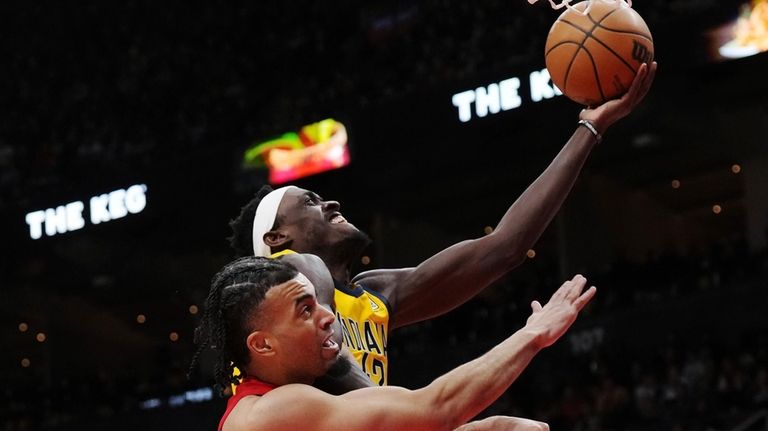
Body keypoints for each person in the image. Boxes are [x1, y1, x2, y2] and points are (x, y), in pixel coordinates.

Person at [227, 62, 657, 388]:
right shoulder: (282, 278)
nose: (331, 202)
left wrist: (590, 128)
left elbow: (505, 247)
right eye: (311, 201)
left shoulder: (373, 294)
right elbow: (345, 386)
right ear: (276, 238)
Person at [191, 256, 596, 431]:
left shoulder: (285, 403)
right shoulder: (273, 413)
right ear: (262, 345)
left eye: (317, 302)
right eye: (304, 309)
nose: (328, 315)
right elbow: (436, 409)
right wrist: (532, 334)